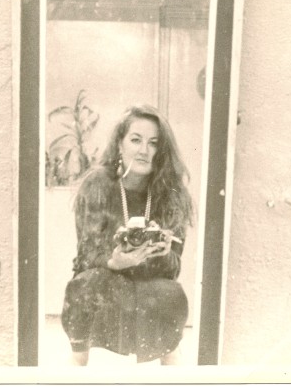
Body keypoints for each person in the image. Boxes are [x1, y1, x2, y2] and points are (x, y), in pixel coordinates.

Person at [61, 104, 194, 365]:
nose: (144, 150)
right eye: (136, 140)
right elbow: (85, 254)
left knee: (170, 294)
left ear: (162, 150)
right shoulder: (99, 183)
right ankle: (76, 366)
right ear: (119, 144)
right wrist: (114, 261)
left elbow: (174, 267)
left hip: (152, 280)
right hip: (105, 275)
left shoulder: (172, 191)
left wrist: (163, 253)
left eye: (154, 143)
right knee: (89, 284)